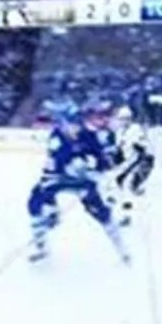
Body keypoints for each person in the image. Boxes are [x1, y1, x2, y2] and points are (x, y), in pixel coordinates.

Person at [27, 102, 129, 263]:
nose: (71, 128)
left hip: (84, 182)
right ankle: (41, 245)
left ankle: (122, 250)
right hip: (59, 179)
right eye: (67, 124)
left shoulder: (90, 136)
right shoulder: (57, 136)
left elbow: (104, 161)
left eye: (74, 124)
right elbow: (53, 162)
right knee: (35, 201)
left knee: (102, 213)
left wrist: (93, 168)